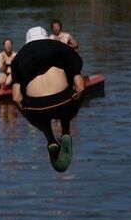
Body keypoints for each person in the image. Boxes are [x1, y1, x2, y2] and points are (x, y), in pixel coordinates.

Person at [10, 26, 85, 172]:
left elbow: (15, 96)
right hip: (64, 102)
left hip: (37, 108)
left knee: (32, 111)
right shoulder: (61, 48)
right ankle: (65, 129)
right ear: (46, 38)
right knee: (70, 102)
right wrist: (74, 107)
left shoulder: (18, 58)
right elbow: (81, 87)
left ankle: (50, 138)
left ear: (27, 43)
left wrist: (29, 116)